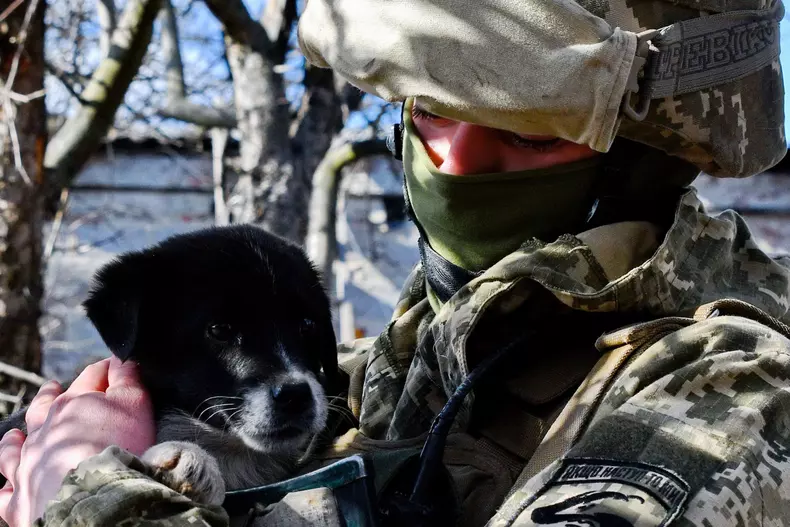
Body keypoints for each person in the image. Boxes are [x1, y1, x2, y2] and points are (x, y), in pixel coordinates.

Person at [2, 0, 790, 525]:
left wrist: (82, 494)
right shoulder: (431, 353)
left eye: (526, 132)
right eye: (435, 109)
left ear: (640, 159)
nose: (453, 161)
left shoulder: (732, 393)